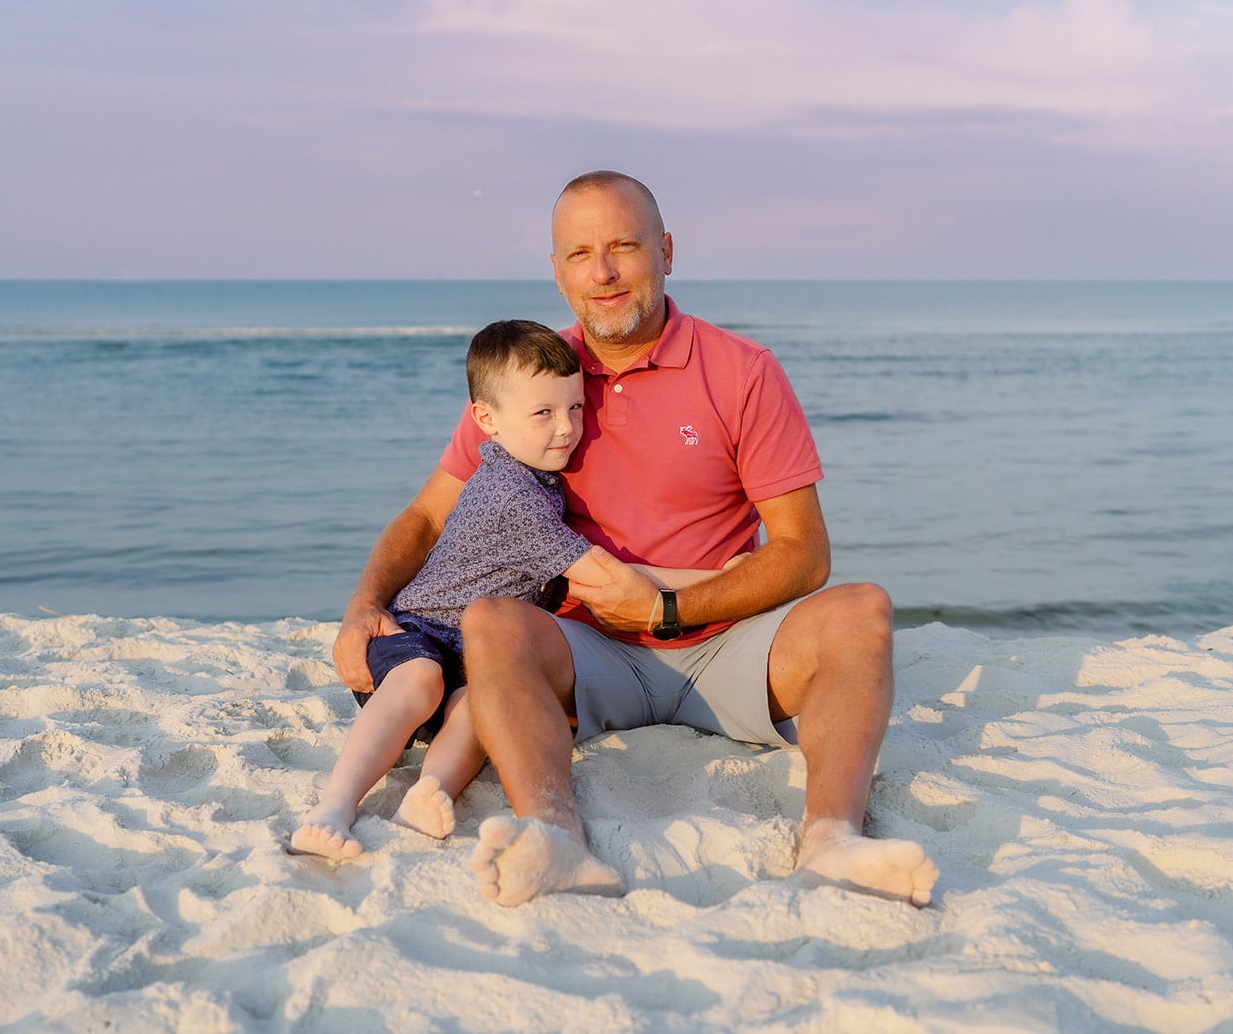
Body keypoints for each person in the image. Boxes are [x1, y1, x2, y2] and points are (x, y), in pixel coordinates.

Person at [333, 171, 939, 908]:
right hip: (585, 654)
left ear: (666, 251)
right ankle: (555, 838)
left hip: (728, 641)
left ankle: (832, 839)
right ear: (557, 272)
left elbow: (804, 553)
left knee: (862, 610)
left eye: (623, 246)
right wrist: (366, 604)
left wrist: (666, 609)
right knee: (491, 620)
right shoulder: (531, 380)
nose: (603, 272)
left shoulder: (743, 371)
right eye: (580, 253)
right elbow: (429, 516)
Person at [296, 319, 722, 861]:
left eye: (575, 407)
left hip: (473, 655)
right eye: (543, 413)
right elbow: (611, 578)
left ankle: (430, 790)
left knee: (480, 702)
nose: (566, 428)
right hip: (417, 633)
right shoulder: (513, 495)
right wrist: (720, 578)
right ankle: (333, 807)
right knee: (423, 677)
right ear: (486, 420)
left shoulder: (535, 476)